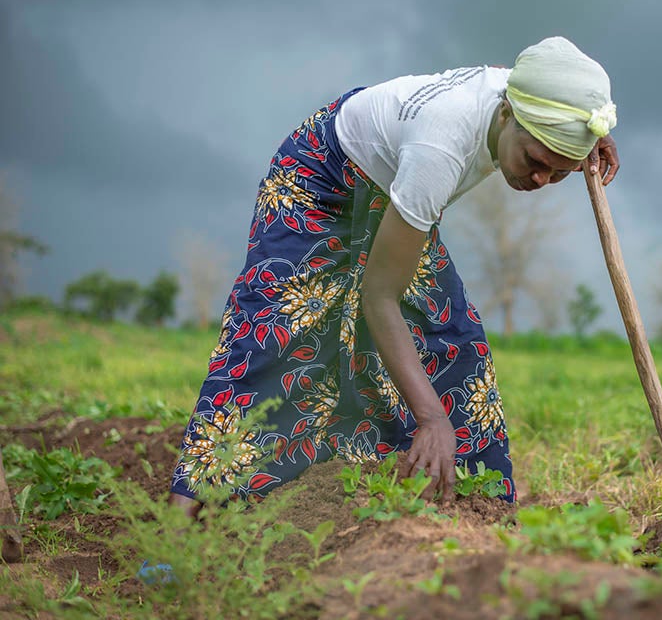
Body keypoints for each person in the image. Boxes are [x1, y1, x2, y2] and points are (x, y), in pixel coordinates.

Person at [167, 35, 619, 517]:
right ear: (506, 115)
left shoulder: (533, 92)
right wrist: (430, 417)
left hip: (388, 188)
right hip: (320, 180)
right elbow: (379, 297)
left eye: (560, 172)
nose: (540, 181)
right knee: (273, 336)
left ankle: (478, 513)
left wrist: (586, 132)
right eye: (536, 161)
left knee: (454, 343)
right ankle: (178, 526)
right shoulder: (439, 150)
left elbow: (557, 87)